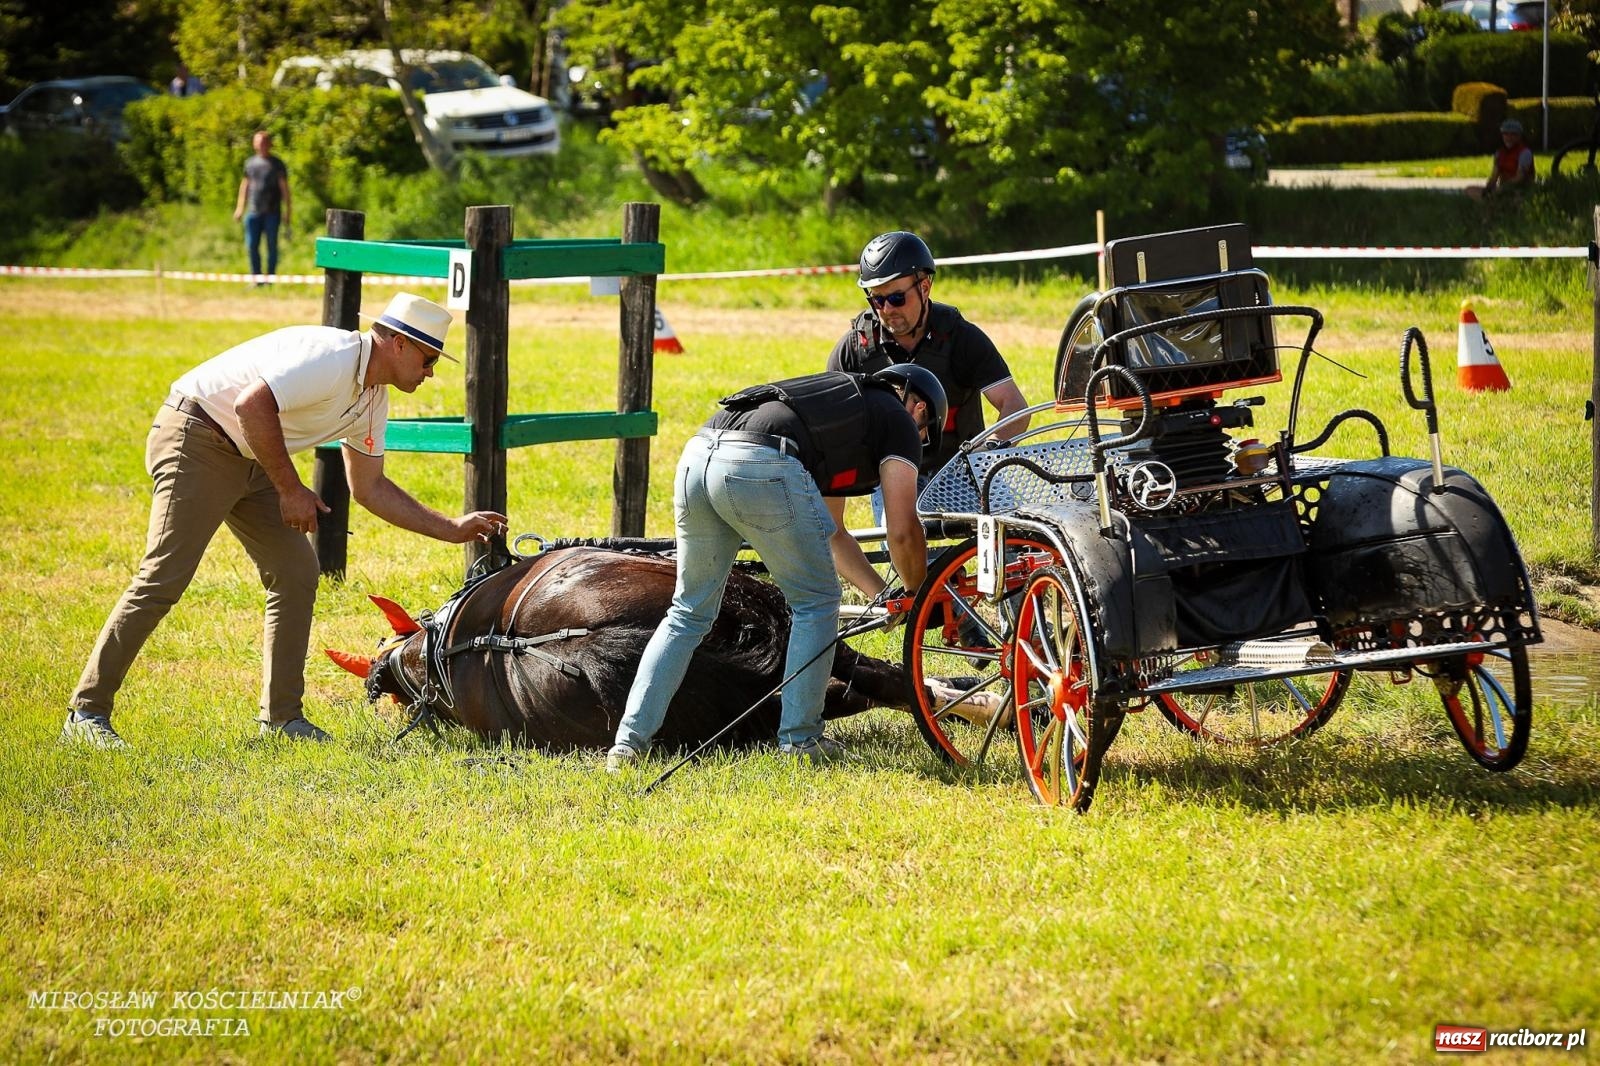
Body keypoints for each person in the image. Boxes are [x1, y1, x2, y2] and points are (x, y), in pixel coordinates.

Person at [62, 293, 509, 748]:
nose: (431, 371)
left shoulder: (373, 399)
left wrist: (451, 529)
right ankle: (86, 713)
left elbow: (370, 487)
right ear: (397, 343)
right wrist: (291, 489)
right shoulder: (332, 357)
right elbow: (250, 405)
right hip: (197, 436)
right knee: (163, 577)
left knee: (296, 572)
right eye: (429, 357)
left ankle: (282, 720)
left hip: (253, 453)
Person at [606, 364, 946, 769]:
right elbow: (903, 531)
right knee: (816, 603)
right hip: (758, 462)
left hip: (698, 456)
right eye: (925, 435)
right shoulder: (900, 420)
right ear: (920, 408)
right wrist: (920, 594)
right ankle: (801, 742)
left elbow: (835, 534)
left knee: (688, 612)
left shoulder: (843, 410)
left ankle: (628, 744)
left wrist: (885, 595)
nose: (918, 442)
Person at [827, 231, 1030, 510]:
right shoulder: (855, 349)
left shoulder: (961, 338)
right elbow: (833, 429)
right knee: (906, 545)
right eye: (877, 300)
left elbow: (1015, 406)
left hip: (963, 470)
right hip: (894, 474)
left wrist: (987, 450)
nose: (886, 310)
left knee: (1019, 534)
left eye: (897, 298)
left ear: (924, 286)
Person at [234, 130, 291, 284]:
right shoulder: (250, 163)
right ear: (254, 144)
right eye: (259, 142)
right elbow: (245, 185)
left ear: (270, 144)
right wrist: (240, 208)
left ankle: (270, 278)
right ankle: (256, 278)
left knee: (271, 246)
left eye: (265, 142)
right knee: (252, 245)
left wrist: (288, 211)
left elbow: (285, 189)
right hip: (254, 212)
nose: (262, 146)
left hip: (272, 212)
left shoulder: (277, 164)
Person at [1482, 118, 1535, 198]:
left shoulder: (1525, 153)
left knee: (1517, 197)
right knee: (1470, 190)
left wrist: (1503, 188)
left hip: (1520, 190)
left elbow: (1520, 178)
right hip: (1502, 189)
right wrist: (1488, 188)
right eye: (1505, 134)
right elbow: (1494, 176)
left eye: (1513, 134)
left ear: (1519, 136)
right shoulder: (1499, 153)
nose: (1509, 138)